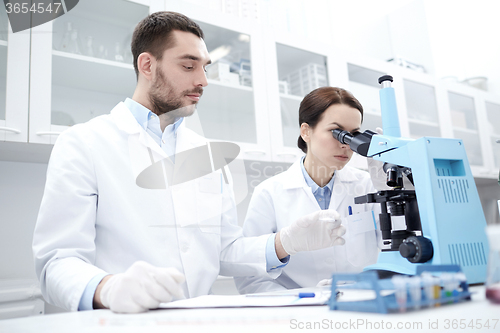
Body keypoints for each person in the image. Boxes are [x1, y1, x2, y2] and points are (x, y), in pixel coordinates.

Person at [32, 12, 346, 314]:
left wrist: (283, 242)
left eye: (205, 67)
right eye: (188, 66)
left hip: (195, 320)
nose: (203, 81)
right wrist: (108, 288)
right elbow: (56, 263)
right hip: (118, 322)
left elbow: (223, 251)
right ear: (147, 65)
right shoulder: (84, 143)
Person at [235, 87, 381, 294]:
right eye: (337, 133)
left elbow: (400, 251)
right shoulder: (269, 193)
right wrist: (302, 302)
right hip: (298, 313)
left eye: (354, 135)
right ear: (306, 131)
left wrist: (394, 187)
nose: (346, 145)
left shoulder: (369, 185)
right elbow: (250, 276)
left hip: (361, 303)